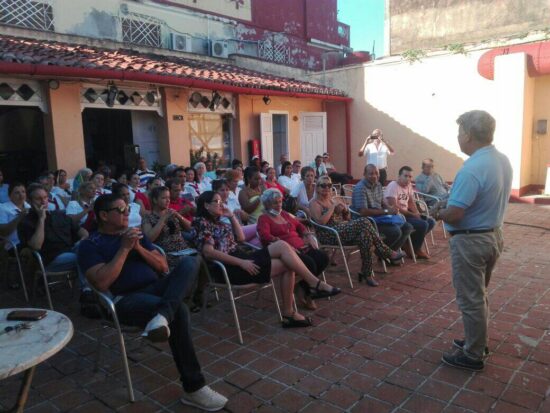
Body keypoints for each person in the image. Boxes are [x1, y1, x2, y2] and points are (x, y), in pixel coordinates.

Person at [78, 194, 227, 410]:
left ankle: (161, 316)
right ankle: (194, 389)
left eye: (128, 208)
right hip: (124, 300)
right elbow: (102, 282)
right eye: (121, 210)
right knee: (181, 312)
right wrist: (125, 249)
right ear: (103, 215)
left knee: (191, 261)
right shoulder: (90, 245)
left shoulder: (135, 235)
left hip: (156, 287)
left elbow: (162, 266)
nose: (128, 213)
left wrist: (138, 247)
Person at [433, 111, 512, 371]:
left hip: (471, 241)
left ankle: (474, 354)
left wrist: (438, 213)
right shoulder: (501, 160)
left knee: (471, 299)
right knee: (479, 296)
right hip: (492, 236)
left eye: (459, 133)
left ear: (467, 134)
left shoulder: (472, 167)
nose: (458, 137)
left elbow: (456, 213)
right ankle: (477, 341)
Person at [193, 191, 340, 328]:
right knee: (283, 248)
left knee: (285, 256)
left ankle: (292, 310)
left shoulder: (220, 222)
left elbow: (241, 238)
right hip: (229, 268)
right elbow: (209, 253)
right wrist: (241, 262)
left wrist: (231, 217)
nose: (221, 204)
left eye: (221, 201)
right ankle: (312, 286)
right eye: (216, 201)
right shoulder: (201, 223)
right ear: (206, 205)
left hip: (243, 258)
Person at [310, 176, 405, 287]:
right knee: (364, 221)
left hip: (341, 231)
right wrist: (332, 207)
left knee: (365, 236)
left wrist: (345, 211)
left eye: (329, 185)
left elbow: (348, 218)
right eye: (323, 185)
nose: (326, 188)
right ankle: (386, 252)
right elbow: (321, 222)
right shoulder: (314, 203)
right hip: (328, 234)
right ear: (317, 188)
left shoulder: (333, 199)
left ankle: (367, 273)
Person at [18, 184, 92, 309]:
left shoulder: (59, 215)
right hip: (50, 260)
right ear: (29, 201)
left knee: (87, 247)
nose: (43, 201)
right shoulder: (26, 222)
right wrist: (41, 219)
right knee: (86, 255)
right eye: (38, 199)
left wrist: (84, 238)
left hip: (71, 252)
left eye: (45, 197)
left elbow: (82, 232)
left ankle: (89, 291)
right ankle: (88, 290)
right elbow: (36, 246)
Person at [257, 189, 329, 309]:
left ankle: (301, 286)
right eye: (275, 203)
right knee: (310, 263)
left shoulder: (284, 214)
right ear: (267, 204)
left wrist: (308, 235)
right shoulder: (263, 218)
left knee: (322, 257)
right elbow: (264, 237)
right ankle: (307, 294)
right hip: (286, 253)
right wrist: (278, 241)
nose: (279, 205)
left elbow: (300, 226)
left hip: (301, 247)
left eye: (280, 201)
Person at [351, 164, 413, 252]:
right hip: (366, 222)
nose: (375, 176)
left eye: (377, 173)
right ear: (364, 174)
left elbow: (382, 201)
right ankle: (382, 253)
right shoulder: (360, 188)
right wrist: (386, 211)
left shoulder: (378, 184)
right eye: (371, 173)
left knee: (408, 227)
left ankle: (390, 254)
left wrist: (390, 208)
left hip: (378, 218)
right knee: (395, 231)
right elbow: (363, 212)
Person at [385, 166, 435, 259]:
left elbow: (411, 202)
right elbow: (394, 207)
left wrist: (417, 214)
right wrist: (412, 215)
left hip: (407, 214)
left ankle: (408, 243)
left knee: (431, 222)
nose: (408, 179)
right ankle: (416, 249)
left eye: (410, 177)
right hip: (397, 216)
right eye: (405, 176)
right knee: (423, 224)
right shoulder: (393, 186)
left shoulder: (408, 185)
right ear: (399, 176)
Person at [0, 183, 29, 288]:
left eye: (23, 192)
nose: (21, 195)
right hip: (13, 244)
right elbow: (3, 232)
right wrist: (19, 217)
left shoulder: (29, 206)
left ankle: (40, 278)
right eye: (17, 193)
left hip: (29, 240)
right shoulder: (3, 208)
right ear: (10, 195)